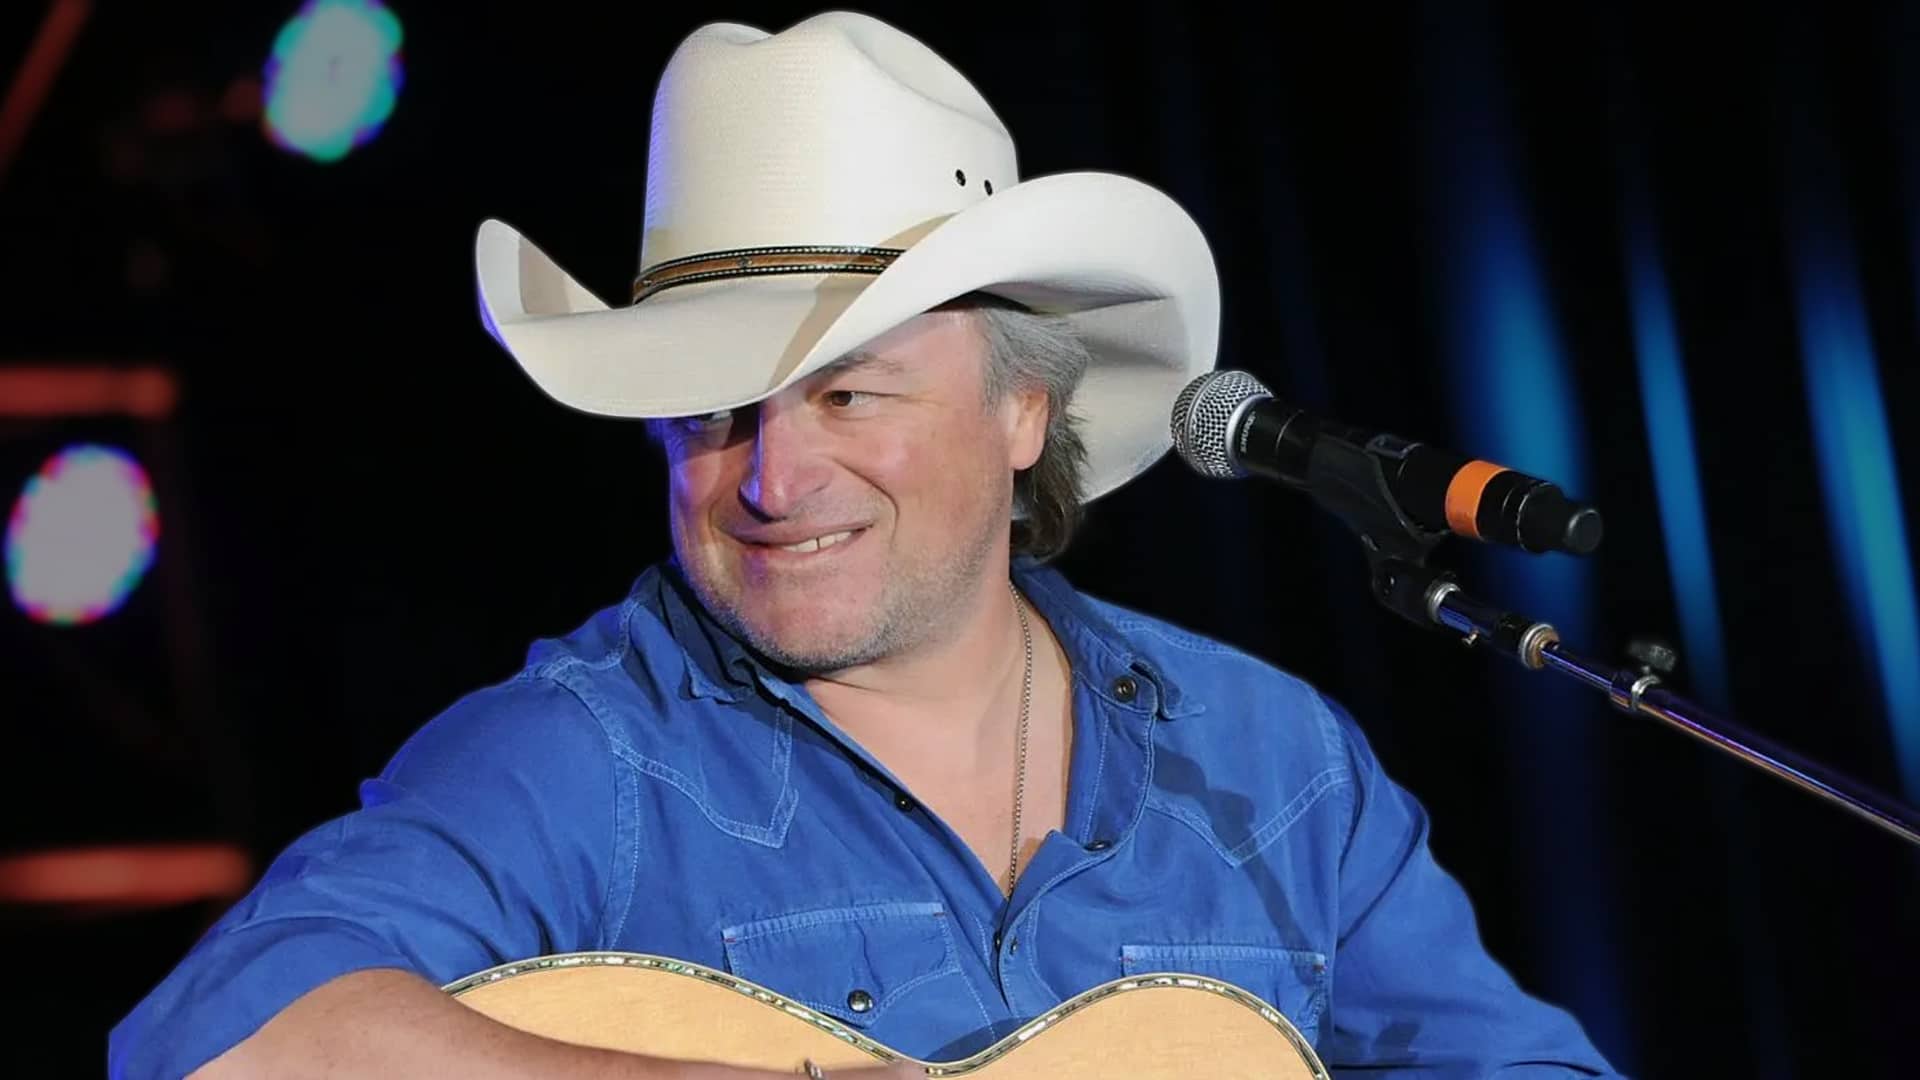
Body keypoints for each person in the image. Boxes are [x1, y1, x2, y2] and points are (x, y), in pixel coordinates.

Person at [111, 10, 1622, 1078]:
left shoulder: (1269, 760)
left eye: (850, 393)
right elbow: (211, 1040)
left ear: (1023, 410)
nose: (772, 474)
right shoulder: (584, 762)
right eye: (713, 411)